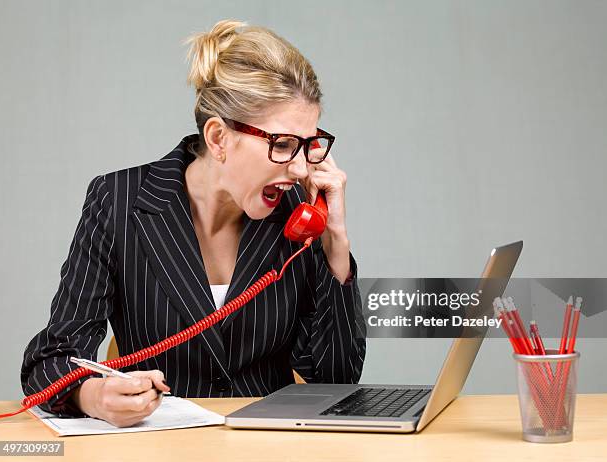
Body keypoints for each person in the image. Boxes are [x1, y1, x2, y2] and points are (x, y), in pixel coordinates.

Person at [21, 19, 366, 428]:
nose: (297, 168)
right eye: (283, 144)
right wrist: (93, 394)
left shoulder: (295, 215)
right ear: (219, 138)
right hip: (159, 446)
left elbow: (336, 379)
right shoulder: (119, 202)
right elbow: (50, 359)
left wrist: (335, 243)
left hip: (270, 446)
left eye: (307, 146)